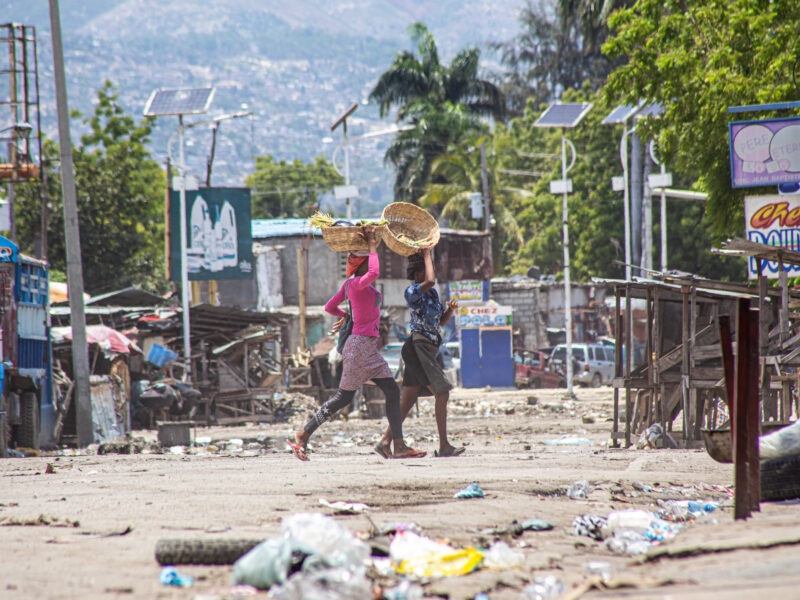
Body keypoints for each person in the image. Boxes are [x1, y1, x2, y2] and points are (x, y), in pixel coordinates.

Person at [287, 226, 425, 461]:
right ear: (360, 265)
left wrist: (346, 315)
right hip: (359, 346)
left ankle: (394, 444)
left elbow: (330, 307)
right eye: (365, 262)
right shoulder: (356, 284)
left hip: (365, 346)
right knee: (344, 397)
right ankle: (303, 433)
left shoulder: (360, 287)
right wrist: (372, 245)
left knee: (389, 391)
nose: (369, 267)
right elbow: (374, 271)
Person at [375, 246, 465, 458]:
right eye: (425, 269)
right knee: (442, 392)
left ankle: (386, 441)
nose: (429, 273)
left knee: (407, 401)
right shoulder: (412, 291)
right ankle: (444, 446)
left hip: (426, 348)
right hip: (418, 347)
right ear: (417, 274)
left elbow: (439, 322)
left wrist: (450, 310)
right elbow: (432, 280)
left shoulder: (432, 294)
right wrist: (427, 256)